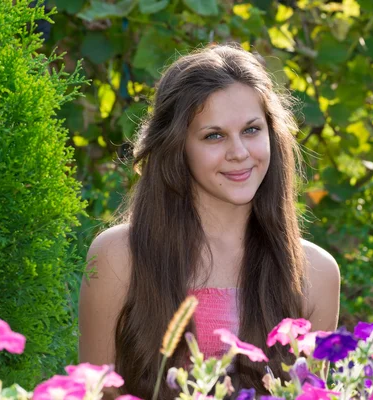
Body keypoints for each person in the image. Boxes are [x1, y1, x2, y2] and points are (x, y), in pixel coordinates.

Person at [78, 43, 340, 399]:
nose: (239, 153)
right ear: (177, 146)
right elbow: (91, 394)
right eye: (213, 135)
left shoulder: (315, 273)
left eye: (251, 130)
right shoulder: (119, 256)